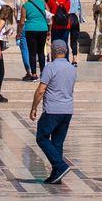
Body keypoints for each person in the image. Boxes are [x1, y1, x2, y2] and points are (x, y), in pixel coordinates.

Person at [30, 40, 76, 183]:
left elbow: (41, 90)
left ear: (54, 51)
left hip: (52, 110)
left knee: (42, 138)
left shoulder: (50, 67)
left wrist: (33, 107)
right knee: (57, 143)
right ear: (66, 51)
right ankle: (57, 175)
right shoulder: (71, 68)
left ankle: (60, 166)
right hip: (67, 110)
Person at [21, 0, 49, 74]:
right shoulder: (43, 3)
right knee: (41, 52)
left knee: (32, 53)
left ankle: (33, 73)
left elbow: (22, 21)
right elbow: (49, 15)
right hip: (42, 29)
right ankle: (43, 72)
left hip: (30, 29)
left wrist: (18, 32)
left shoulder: (25, 6)